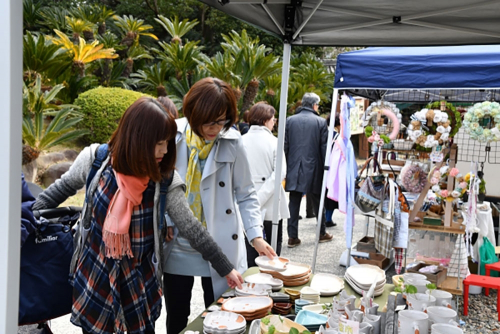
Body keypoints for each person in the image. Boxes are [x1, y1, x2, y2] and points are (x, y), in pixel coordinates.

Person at [33, 97, 243, 334]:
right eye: (158, 144)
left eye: (167, 143)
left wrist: (225, 267)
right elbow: (60, 189)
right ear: (136, 139)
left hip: (139, 285)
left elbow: (192, 228)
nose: (165, 151)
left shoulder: (165, 180)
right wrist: (25, 222)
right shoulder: (97, 159)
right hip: (96, 278)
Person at [163, 77, 276, 333]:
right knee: (176, 314)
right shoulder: (173, 136)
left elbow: (246, 194)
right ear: (193, 113)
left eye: (222, 120)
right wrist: (167, 220)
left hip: (218, 243)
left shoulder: (234, 141)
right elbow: (161, 186)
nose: (216, 128)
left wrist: (255, 236)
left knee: (221, 312)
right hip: (178, 241)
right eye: (209, 120)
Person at [241, 102, 289, 266]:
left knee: (250, 253)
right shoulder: (275, 142)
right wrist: (260, 198)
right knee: (272, 254)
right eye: (273, 119)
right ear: (266, 120)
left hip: (245, 203)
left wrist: (252, 200)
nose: (274, 122)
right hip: (271, 204)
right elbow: (280, 174)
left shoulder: (240, 141)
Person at [284, 92, 334, 248]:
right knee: (319, 201)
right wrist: (327, 169)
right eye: (318, 105)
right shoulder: (320, 122)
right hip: (314, 167)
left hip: (293, 166)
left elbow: (285, 146)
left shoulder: (289, 121)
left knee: (294, 201)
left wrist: (286, 166)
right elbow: (324, 149)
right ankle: (321, 233)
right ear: (314, 105)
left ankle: (292, 237)